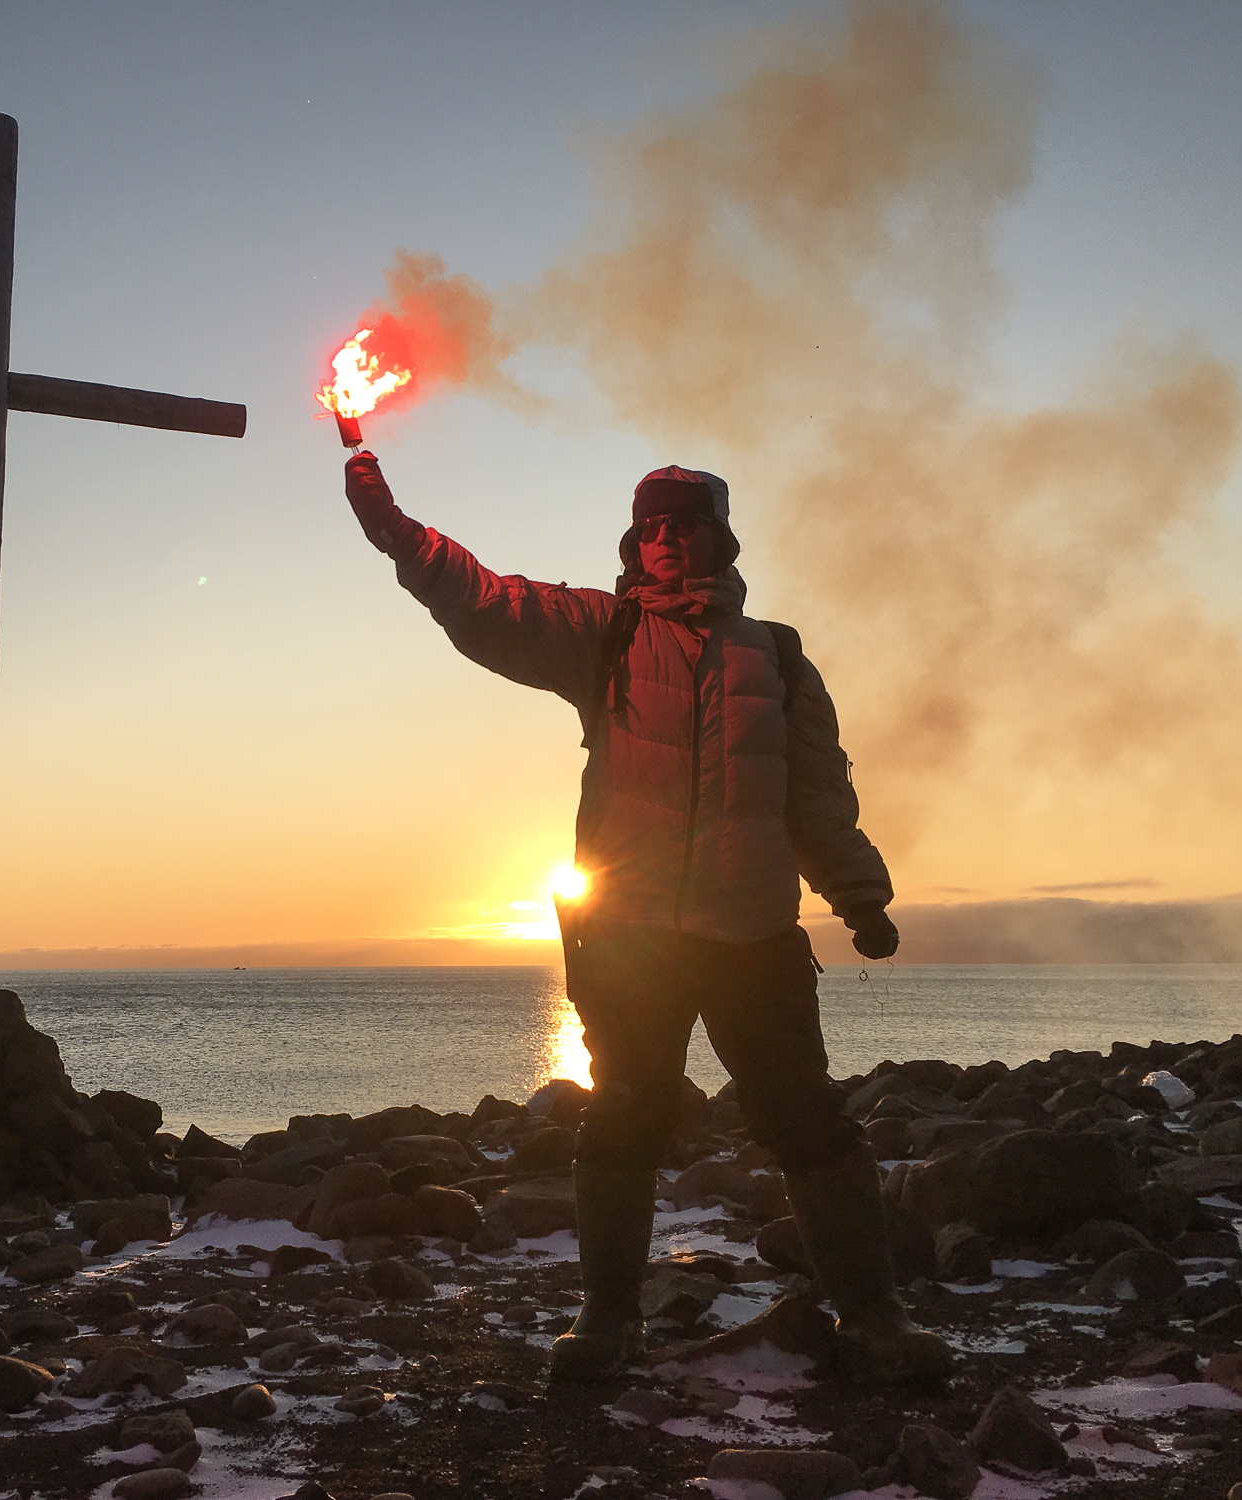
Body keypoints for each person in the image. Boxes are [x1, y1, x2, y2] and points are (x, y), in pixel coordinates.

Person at [342, 452, 953, 1386]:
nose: (666, 541)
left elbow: (818, 798)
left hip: (755, 934)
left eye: (684, 524)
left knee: (807, 1121)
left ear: (720, 535)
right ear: (634, 544)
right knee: (626, 1116)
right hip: (629, 937)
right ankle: (607, 1320)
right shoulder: (604, 631)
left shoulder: (780, 656)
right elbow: (485, 601)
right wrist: (393, 526)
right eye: (650, 529)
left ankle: (874, 1316)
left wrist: (859, 892)